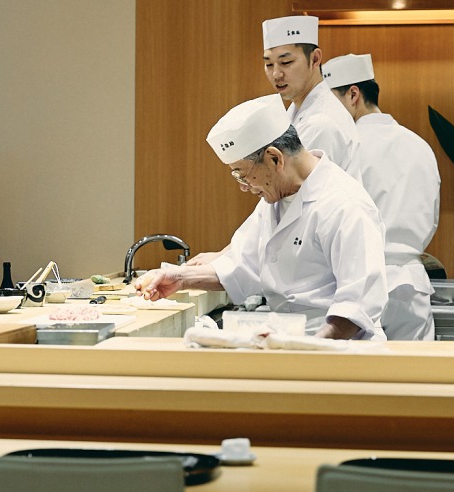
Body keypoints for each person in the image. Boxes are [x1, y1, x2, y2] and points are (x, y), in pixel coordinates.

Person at [136, 94, 389, 340]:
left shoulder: (344, 204)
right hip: (293, 345)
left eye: (241, 174)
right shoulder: (274, 200)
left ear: (274, 158)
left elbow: (356, 306)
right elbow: (242, 264)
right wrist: (179, 278)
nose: (243, 186)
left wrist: (309, 348)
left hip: (340, 355)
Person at [323, 53, 441, 341]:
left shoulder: (344, 146)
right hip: (412, 287)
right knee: (412, 381)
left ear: (353, 95)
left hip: (359, 286)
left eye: (328, 104)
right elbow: (432, 216)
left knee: (360, 382)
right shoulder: (420, 145)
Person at [261, 15, 359, 176]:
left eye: (286, 63)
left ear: (315, 59)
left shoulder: (321, 124)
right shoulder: (297, 111)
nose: (276, 74)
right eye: (269, 64)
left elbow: (295, 191)